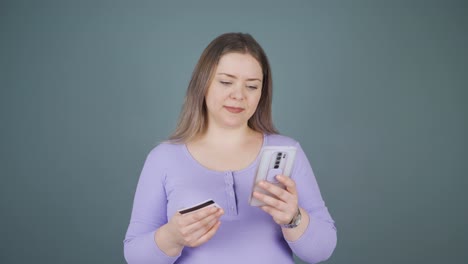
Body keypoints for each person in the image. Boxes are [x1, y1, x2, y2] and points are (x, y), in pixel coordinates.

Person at [123, 32, 337, 264]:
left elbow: (321, 251)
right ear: (203, 83)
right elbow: (135, 255)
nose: (238, 95)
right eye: (226, 82)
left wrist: (294, 218)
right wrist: (172, 236)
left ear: (262, 93)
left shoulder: (287, 151)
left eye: (252, 86)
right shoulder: (163, 158)